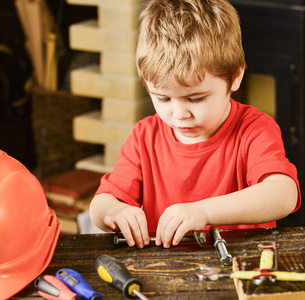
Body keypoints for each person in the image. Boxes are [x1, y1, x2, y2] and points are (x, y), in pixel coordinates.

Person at [89, 0, 301, 249]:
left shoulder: (254, 130)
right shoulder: (144, 137)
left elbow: (284, 195)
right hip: (165, 271)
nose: (179, 114)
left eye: (196, 98)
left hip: (241, 267)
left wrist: (203, 212)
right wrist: (115, 211)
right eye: (163, 98)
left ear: (235, 77)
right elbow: (99, 207)